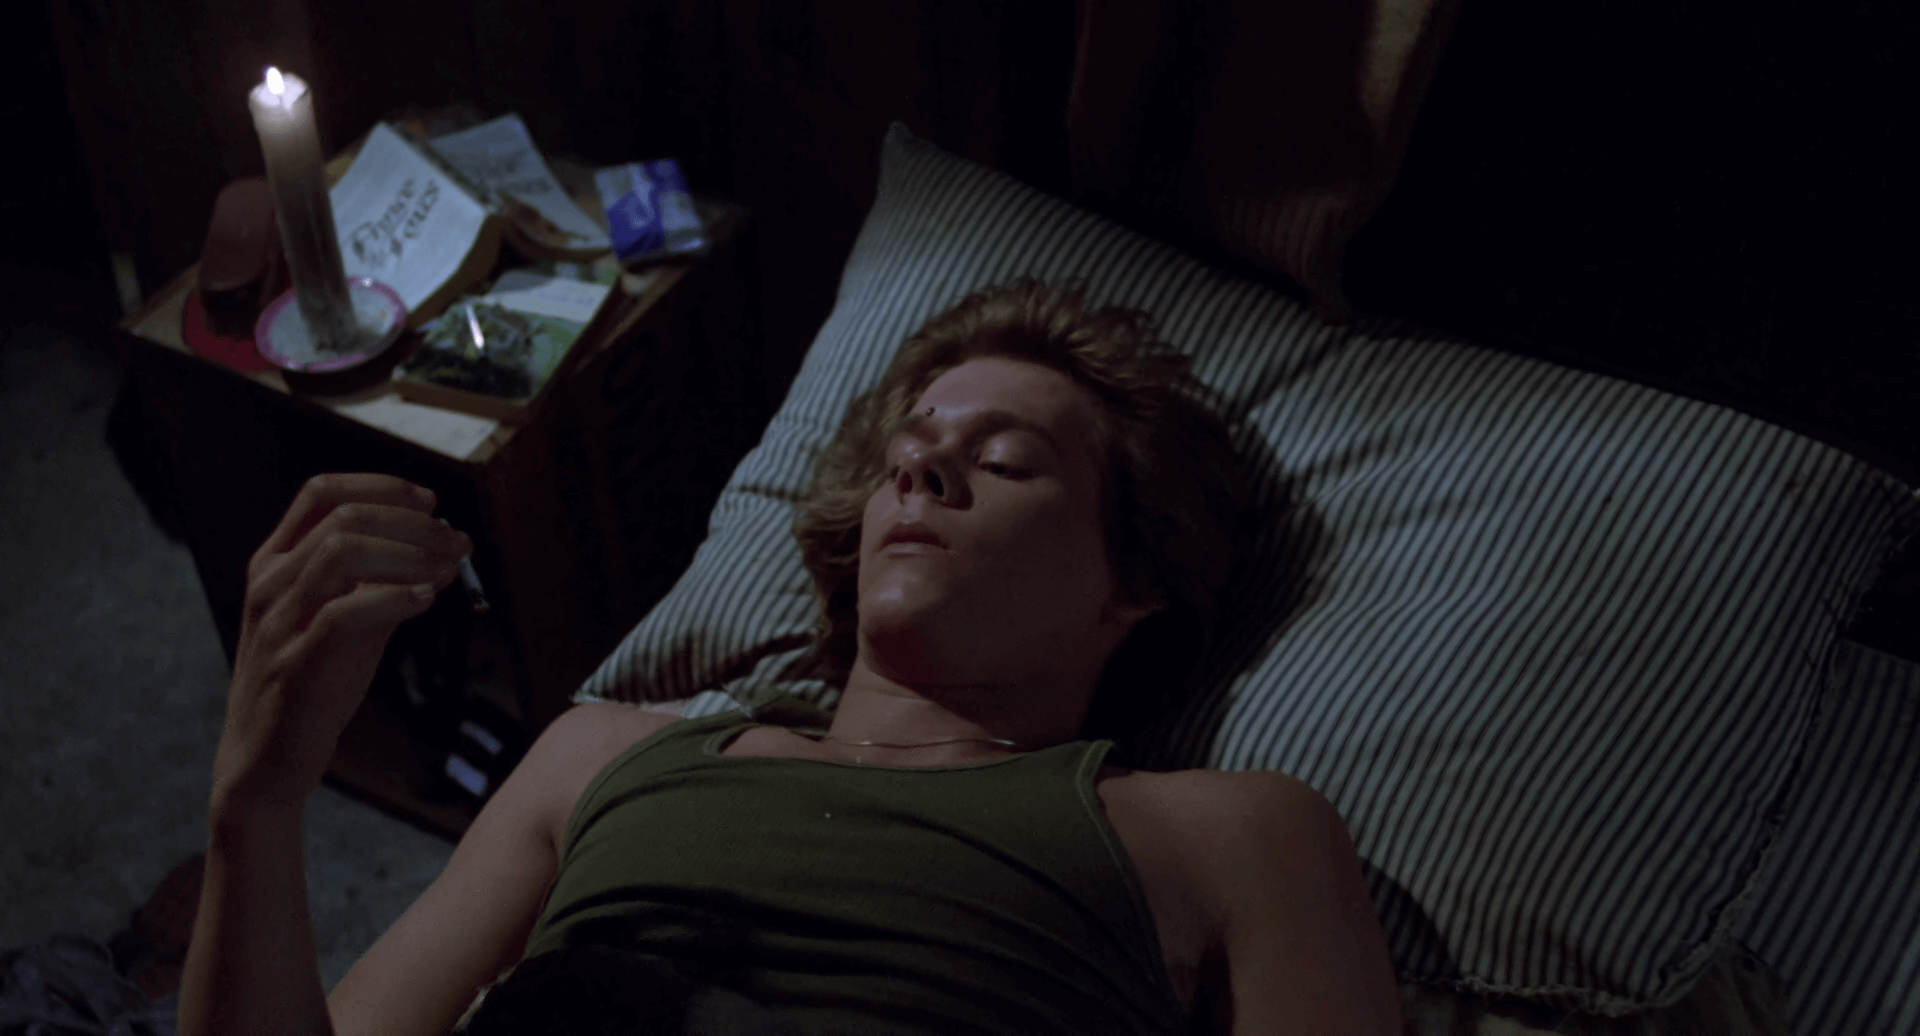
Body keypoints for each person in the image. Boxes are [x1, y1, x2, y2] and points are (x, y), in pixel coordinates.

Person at [177, 279, 1404, 1036]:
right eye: (909, 450)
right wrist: (258, 801)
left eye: (1006, 459)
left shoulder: (1232, 834)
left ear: (1136, 576)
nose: (921, 467)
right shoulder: (600, 751)